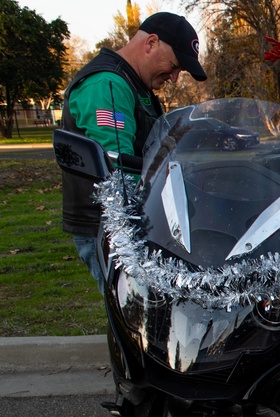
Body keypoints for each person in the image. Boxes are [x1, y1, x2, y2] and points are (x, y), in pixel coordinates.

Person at [60, 12, 207, 293]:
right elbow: (118, 170)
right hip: (111, 228)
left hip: (138, 225)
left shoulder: (134, 85)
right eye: (174, 66)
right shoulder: (109, 84)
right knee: (139, 316)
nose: (175, 78)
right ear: (151, 43)